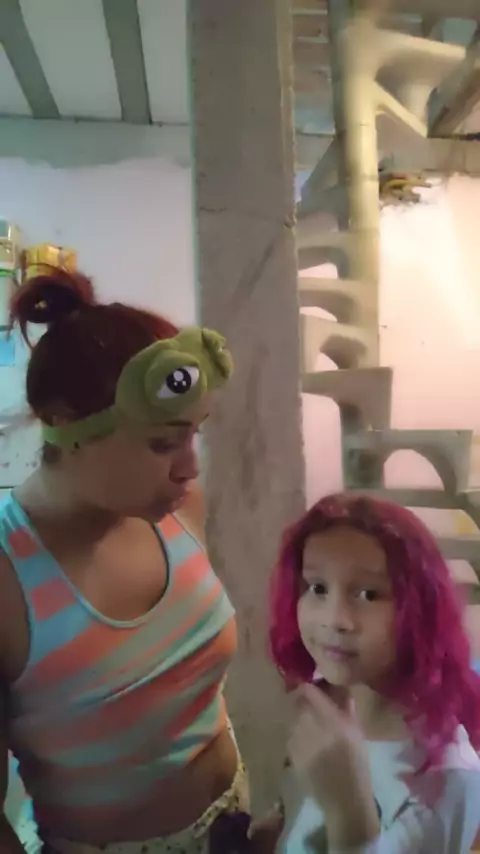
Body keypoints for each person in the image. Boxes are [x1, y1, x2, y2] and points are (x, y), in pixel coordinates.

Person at [0, 267, 249, 854]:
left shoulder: (178, 511)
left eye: (193, 434)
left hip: (235, 819)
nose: (190, 465)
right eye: (162, 443)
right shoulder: (10, 581)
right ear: (66, 425)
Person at [269, 493, 480, 854]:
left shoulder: (448, 779)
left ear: (418, 608)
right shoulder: (326, 700)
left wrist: (348, 814)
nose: (336, 619)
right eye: (317, 588)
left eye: (368, 594)